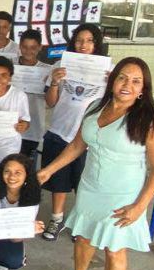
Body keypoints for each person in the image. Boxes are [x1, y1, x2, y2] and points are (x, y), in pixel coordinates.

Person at [40, 57, 154, 270]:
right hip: (90, 188)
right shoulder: (97, 106)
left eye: (135, 81)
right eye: (122, 78)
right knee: (83, 239)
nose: (127, 85)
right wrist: (49, 170)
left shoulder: (150, 122)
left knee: (114, 250)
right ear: (112, 81)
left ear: (143, 89)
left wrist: (139, 206)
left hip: (123, 196)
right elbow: (77, 146)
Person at [40, 24, 110, 240]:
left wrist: (112, 83)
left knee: (84, 183)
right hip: (59, 131)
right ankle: (57, 219)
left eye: (89, 41)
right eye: (79, 40)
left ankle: (81, 221)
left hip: (89, 138)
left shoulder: (107, 71)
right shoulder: (61, 65)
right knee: (58, 180)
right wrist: (54, 82)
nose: (83, 45)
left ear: (96, 44)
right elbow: (50, 103)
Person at [16, 29, 51, 158]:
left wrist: (50, 84)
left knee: (26, 165)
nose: (28, 51)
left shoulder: (47, 71)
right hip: (10, 125)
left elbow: (51, 101)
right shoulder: (9, 67)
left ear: (40, 47)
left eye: (33, 48)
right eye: (24, 47)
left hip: (34, 127)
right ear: (19, 46)